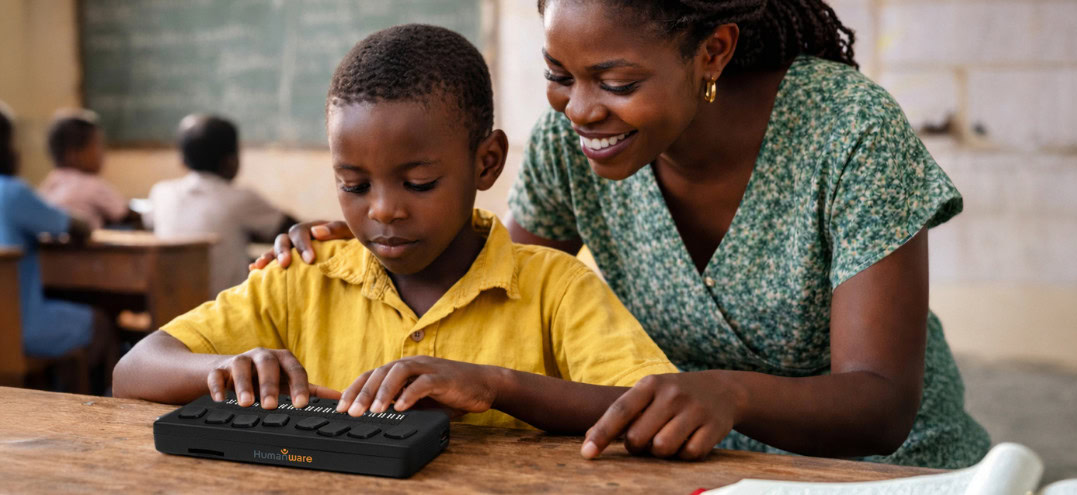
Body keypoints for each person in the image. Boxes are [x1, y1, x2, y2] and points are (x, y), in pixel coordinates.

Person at [256, 1, 991, 468]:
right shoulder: (567, 146)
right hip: (684, 462)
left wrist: (727, 394)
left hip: (887, 474)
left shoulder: (848, 132)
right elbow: (499, 296)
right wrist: (368, 239)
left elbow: (881, 402)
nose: (580, 109)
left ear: (712, 52)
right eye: (558, 74)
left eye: (616, 81)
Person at [112, 25, 677, 433]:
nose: (383, 211)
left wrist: (494, 386)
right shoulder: (304, 276)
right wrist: (225, 365)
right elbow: (133, 371)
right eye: (354, 186)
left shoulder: (554, 285)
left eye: (420, 183)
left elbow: (648, 404)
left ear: (487, 163)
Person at [0, 102, 113, 379]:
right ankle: (97, 403)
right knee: (101, 323)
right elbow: (75, 225)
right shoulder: (12, 192)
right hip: (17, 327)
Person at [145, 114, 297, 297]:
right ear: (231, 160)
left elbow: (148, 223)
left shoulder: (161, 193)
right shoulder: (240, 198)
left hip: (170, 311)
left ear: (182, 159)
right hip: (223, 311)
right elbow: (293, 231)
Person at [38, 110, 137, 230]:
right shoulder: (91, 184)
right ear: (73, 154)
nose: (102, 154)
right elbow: (124, 214)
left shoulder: (49, 184)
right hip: (86, 248)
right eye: (97, 145)